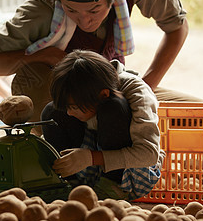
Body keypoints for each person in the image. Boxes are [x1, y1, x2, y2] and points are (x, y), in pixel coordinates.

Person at [0, 0, 203, 123]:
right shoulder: (42, 10)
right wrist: (40, 55)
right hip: (67, 106)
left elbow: (177, 27)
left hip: (112, 87)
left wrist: (146, 87)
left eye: (94, 11)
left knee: (199, 117)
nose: (84, 21)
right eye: (71, 10)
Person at [42, 50, 163, 199]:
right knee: (52, 111)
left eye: (74, 107)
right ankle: (68, 181)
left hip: (130, 171)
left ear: (103, 95)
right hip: (87, 158)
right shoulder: (85, 95)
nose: (69, 113)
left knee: (114, 107)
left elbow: (148, 155)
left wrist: (91, 158)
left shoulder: (137, 93)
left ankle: (112, 185)